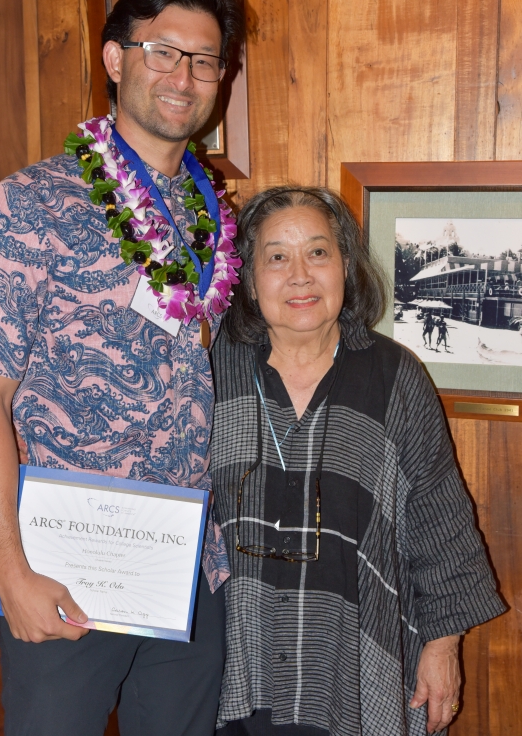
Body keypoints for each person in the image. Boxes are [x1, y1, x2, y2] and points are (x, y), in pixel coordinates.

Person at [0, 0, 244, 736]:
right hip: (67, 568)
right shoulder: (27, 207)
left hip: (190, 569)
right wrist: (9, 567)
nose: (186, 77)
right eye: (164, 51)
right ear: (114, 60)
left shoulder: (214, 214)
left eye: (206, 61)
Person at [209, 187, 505, 736]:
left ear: (346, 264)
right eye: (276, 256)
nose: (300, 275)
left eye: (318, 252)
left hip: (356, 662)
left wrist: (444, 646)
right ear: (248, 278)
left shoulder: (396, 376)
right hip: (232, 662)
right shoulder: (210, 370)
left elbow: (439, 521)